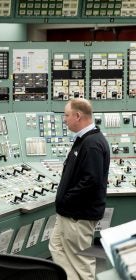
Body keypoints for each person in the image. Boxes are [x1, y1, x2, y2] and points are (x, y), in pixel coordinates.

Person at [49, 98, 110, 280]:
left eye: (66, 115)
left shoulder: (92, 144)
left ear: (78, 116)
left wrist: (66, 199)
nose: (64, 119)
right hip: (68, 212)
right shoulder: (84, 140)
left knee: (82, 262)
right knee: (57, 247)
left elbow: (90, 181)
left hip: (78, 215)